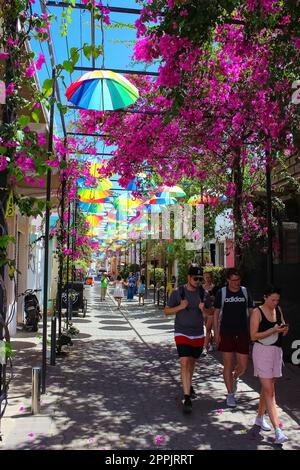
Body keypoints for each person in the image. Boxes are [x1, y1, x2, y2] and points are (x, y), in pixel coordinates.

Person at [250, 285, 289, 444]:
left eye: (277, 300)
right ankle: (278, 430)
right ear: (265, 297)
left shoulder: (278, 309)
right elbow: (253, 336)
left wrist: (284, 329)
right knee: (270, 392)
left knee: (267, 388)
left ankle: (259, 418)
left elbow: (283, 327)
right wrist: (273, 331)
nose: (275, 302)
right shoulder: (256, 312)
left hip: (276, 352)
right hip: (262, 352)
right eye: (273, 299)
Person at [164, 265, 205, 414]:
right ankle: (187, 397)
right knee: (184, 362)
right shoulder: (178, 292)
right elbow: (166, 311)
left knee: (192, 362)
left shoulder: (203, 293)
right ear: (188, 277)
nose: (198, 281)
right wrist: (180, 307)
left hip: (198, 333)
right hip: (182, 332)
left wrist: (204, 309)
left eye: (200, 279)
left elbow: (211, 312)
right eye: (196, 278)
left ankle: (189, 384)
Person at [214, 268, 254, 408]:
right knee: (228, 364)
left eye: (238, 280)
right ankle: (230, 394)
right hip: (226, 333)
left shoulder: (245, 291)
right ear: (228, 280)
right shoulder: (222, 292)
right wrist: (216, 332)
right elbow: (216, 314)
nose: (236, 283)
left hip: (242, 332)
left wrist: (255, 329)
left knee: (243, 365)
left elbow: (252, 312)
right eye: (234, 280)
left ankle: (235, 377)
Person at [202, 271, 218, 356]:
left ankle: (205, 347)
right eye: (206, 277)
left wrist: (212, 298)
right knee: (207, 328)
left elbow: (217, 300)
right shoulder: (201, 288)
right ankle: (211, 344)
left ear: (211, 277)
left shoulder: (215, 288)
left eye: (209, 277)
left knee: (208, 329)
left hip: (212, 311)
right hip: (204, 310)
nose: (207, 279)